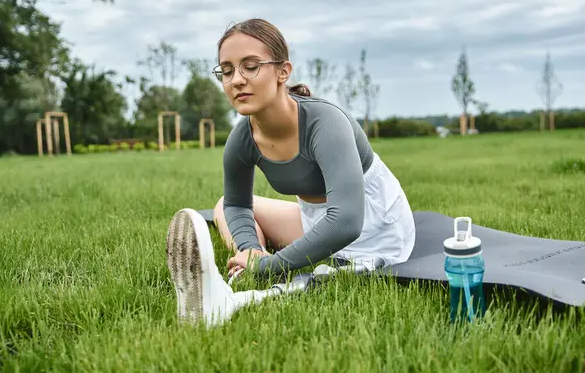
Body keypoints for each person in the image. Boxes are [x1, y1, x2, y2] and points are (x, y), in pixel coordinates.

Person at [166, 18, 416, 327]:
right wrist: (252, 251)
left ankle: (251, 282)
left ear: (283, 71)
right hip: (318, 219)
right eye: (227, 70)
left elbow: (348, 222)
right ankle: (249, 263)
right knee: (222, 206)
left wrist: (270, 267)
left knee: (329, 260)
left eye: (250, 66)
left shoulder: (325, 124)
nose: (237, 80)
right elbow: (237, 204)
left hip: (374, 227)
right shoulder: (241, 139)